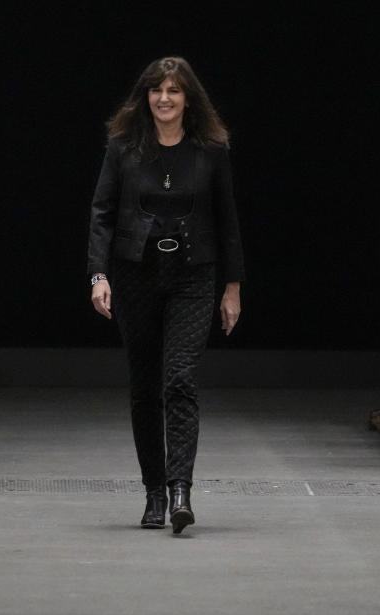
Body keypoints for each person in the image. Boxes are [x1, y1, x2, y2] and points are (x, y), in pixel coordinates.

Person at [88, 56, 244, 534]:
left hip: (194, 275)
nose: (165, 99)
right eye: (157, 90)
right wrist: (98, 275)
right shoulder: (123, 147)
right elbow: (102, 213)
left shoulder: (211, 149)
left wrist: (233, 287)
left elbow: (227, 220)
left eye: (175, 91)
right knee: (144, 387)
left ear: (188, 98)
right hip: (135, 273)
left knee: (179, 379)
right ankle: (154, 490)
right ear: (146, 96)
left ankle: (181, 490)